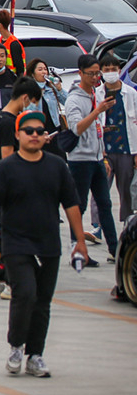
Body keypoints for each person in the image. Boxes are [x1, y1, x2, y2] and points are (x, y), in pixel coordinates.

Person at [0, 109, 88, 378]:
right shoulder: (5, 168)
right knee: (25, 294)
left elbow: (71, 205)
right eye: (28, 131)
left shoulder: (57, 167)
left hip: (49, 244)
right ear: (17, 135)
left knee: (43, 301)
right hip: (16, 243)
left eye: (39, 132)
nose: (34, 135)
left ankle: (35, 355)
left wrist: (80, 241)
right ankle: (16, 346)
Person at [64, 55, 118, 262]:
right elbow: (76, 128)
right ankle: (77, 251)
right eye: (92, 73)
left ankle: (115, 250)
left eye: (98, 73)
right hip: (80, 160)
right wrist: (97, 111)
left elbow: (98, 130)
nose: (96, 77)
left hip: (96, 158)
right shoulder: (74, 100)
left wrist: (103, 156)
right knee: (79, 206)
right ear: (80, 73)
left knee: (105, 204)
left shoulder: (96, 94)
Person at [98, 52, 137, 223]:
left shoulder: (130, 93)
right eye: (107, 69)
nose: (111, 72)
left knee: (127, 190)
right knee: (101, 189)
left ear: (119, 70)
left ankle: (128, 221)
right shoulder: (98, 94)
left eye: (114, 69)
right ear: (101, 72)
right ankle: (97, 225)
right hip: (105, 149)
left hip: (126, 149)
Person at [27, 58, 69, 158]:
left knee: (59, 160)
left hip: (55, 130)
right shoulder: (29, 89)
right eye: (40, 69)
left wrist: (59, 89)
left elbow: (68, 102)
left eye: (45, 69)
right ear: (33, 74)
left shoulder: (51, 89)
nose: (44, 72)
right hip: (38, 131)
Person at [0, 76, 41, 162]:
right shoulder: (7, 122)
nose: (34, 106)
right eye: (33, 102)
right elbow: (7, 157)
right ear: (25, 98)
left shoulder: (11, 118)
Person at [0, 10, 25, 75]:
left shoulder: (13, 43)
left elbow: (20, 68)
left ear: (0, 25)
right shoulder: (1, 40)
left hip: (14, 80)